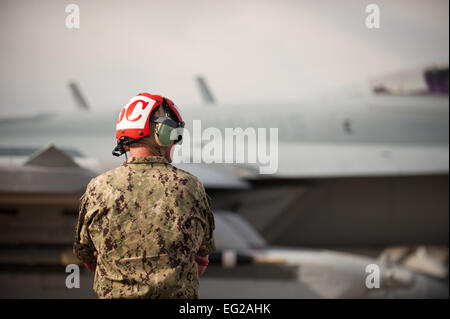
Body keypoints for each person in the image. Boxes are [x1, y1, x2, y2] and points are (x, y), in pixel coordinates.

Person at [73, 93, 215, 298]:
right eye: (175, 134)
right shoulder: (190, 187)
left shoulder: (98, 187)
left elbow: (86, 255)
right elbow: (203, 251)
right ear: (163, 133)